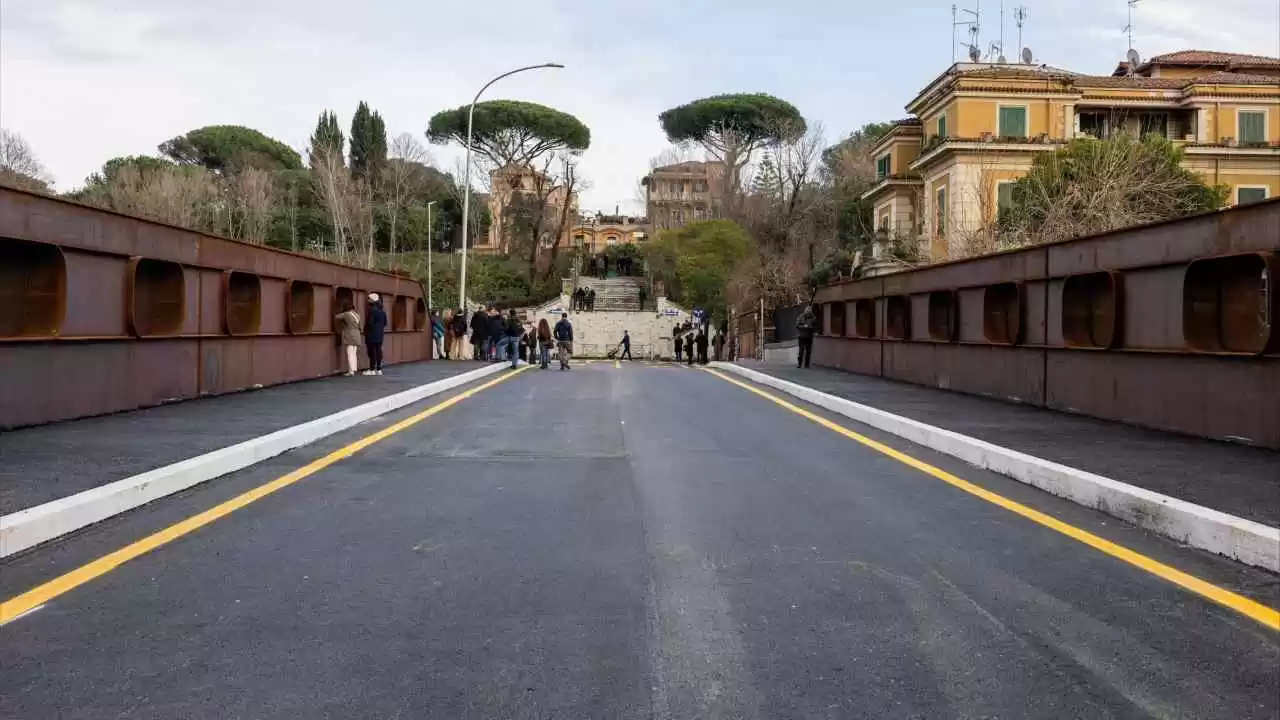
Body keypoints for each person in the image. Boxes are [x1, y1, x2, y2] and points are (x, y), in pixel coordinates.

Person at [334, 300, 362, 376]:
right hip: (357, 334)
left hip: (350, 335)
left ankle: (351, 371)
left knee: (350, 353)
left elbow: (337, 317)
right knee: (354, 353)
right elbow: (360, 326)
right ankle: (354, 369)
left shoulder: (346, 314)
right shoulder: (357, 315)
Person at [363, 293, 387, 375]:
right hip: (380, 334)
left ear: (372, 301)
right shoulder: (382, 311)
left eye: (369, 299)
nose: (368, 301)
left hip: (371, 334)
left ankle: (372, 369)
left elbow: (370, 323)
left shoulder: (372, 310)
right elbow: (385, 323)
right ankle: (379, 369)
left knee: (371, 352)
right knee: (378, 351)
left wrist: (366, 329)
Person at [796, 303, 817, 369]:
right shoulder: (800, 317)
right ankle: (799, 364)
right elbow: (797, 326)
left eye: (810, 310)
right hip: (802, 336)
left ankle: (806, 364)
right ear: (805, 310)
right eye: (807, 310)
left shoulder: (813, 318)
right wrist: (804, 326)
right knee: (801, 351)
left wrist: (812, 328)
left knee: (808, 351)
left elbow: (816, 326)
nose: (808, 312)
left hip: (809, 336)